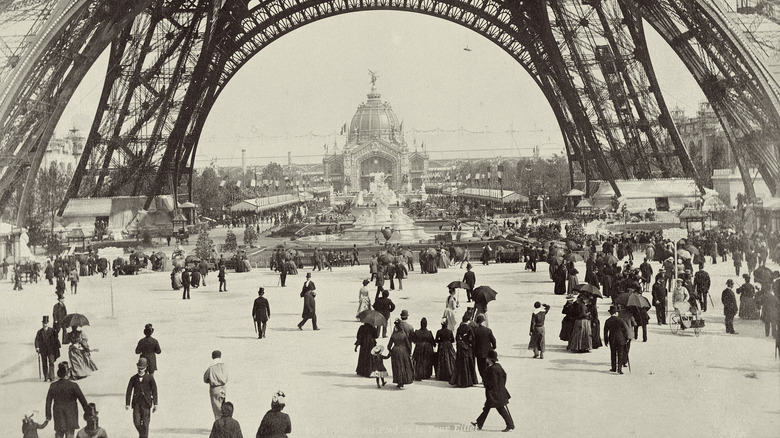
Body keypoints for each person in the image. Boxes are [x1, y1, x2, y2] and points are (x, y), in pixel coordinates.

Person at [470, 350, 514, 432]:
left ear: (489, 359)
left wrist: (486, 384)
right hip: (499, 391)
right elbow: (504, 375)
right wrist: (502, 385)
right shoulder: (498, 366)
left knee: (500, 409)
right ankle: (479, 423)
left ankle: (510, 424)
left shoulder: (492, 369)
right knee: (486, 408)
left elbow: (492, 382)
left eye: (487, 357)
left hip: (494, 394)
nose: (486, 359)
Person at [46, 362, 90, 438]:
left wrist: (48, 415)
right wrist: (88, 412)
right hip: (71, 414)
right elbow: (82, 400)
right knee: (70, 433)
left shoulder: (53, 386)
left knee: (59, 433)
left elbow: (48, 401)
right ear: (68, 374)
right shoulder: (73, 385)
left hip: (58, 413)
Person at [125, 357, 158, 438]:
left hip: (146, 404)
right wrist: (127, 404)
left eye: (142, 368)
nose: (140, 370)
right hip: (136, 404)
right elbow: (129, 391)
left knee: (146, 424)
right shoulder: (133, 378)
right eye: (139, 368)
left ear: (146, 367)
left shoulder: (150, 378)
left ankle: (144, 436)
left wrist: (156, 404)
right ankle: (142, 435)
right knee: (136, 422)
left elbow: (154, 391)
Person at [450, 313, 478, 387]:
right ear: (468, 321)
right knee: (468, 364)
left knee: (460, 364)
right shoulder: (469, 328)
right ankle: (468, 380)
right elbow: (472, 338)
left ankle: (458, 380)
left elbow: (456, 338)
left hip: (460, 348)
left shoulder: (459, 328)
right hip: (467, 348)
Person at [386, 319, 414, 389]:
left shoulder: (393, 335)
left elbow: (388, 346)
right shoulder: (403, 335)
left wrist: (391, 351)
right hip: (403, 351)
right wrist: (409, 352)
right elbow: (408, 345)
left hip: (395, 351)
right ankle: (403, 381)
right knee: (403, 367)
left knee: (397, 367)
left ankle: (399, 382)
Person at [603, 305, 630, 374]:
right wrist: (626, 338)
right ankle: (619, 369)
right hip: (621, 339)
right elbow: (625, 330)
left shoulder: (608, 321)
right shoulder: (620, 320)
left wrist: (606, 341)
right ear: (615, 313)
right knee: (620, 354)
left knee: (613, 353)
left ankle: (613, 368)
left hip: (612, 338)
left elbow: (605, 331)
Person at [203, 350, 228, 421]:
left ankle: (219, 426)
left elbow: (205, 378)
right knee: (223, 406)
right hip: (223, 387)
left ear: (212, 356)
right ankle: (225, 423)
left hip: (215, 388)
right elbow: (227, 377)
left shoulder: (211, 366)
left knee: (217, 409)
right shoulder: (224, 365)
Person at [36, 315, 61, 382]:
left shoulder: (52, 330)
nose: (45, 324)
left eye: (46, 323)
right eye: (44, 323)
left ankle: (52, 377)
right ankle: (46, 377)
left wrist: (56, 330)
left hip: (51, 350)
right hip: (43, 350)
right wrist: (37, 347)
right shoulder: (39, 332)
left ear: (48, 323)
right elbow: (37, 340)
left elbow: (56, 337)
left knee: (51, 362)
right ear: (42, 323)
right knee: (44, 363)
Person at [473, 314, 496, 383]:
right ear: (483, 322)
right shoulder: (488, 330)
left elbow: (474, 342)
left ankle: (483, 379)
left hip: (479, 352)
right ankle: (487, 379)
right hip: (487, 351)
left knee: (480, 367)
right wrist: (494, 347)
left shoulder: (475, 330)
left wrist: (474, 351)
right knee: (487, 366)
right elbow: (493, 340)